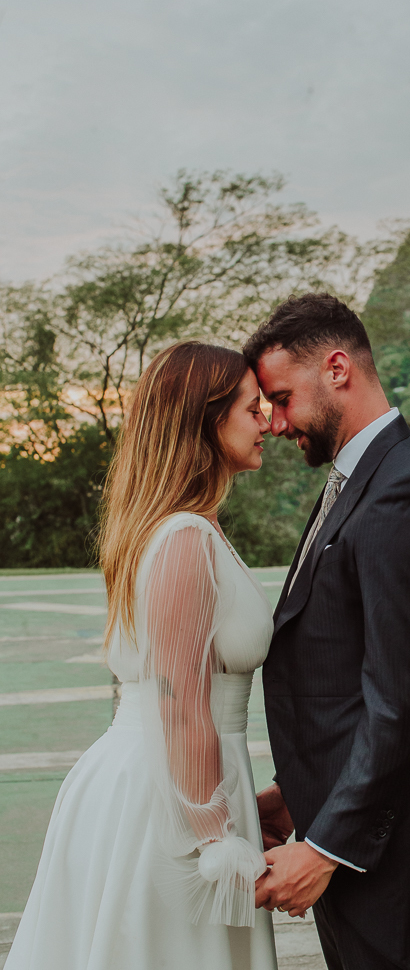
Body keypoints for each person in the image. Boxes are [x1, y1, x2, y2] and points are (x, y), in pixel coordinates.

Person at [6, 342, 278, 970]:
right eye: (250, 407)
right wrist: (215, 839)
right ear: (207, 422)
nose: (266, 420)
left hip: (181, 780)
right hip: (172, 798)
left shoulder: (186, 528)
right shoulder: (183, 537)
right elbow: (181, 703)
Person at [247, 294, 410, 970]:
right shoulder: (357, 481)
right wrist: (296, 795)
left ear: (338, 369)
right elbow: (345, 670)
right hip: (356, 837)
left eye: (282, 397)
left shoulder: (407, 491)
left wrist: (324, 848)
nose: (278, 422)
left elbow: (401, 697)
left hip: (392, 858)